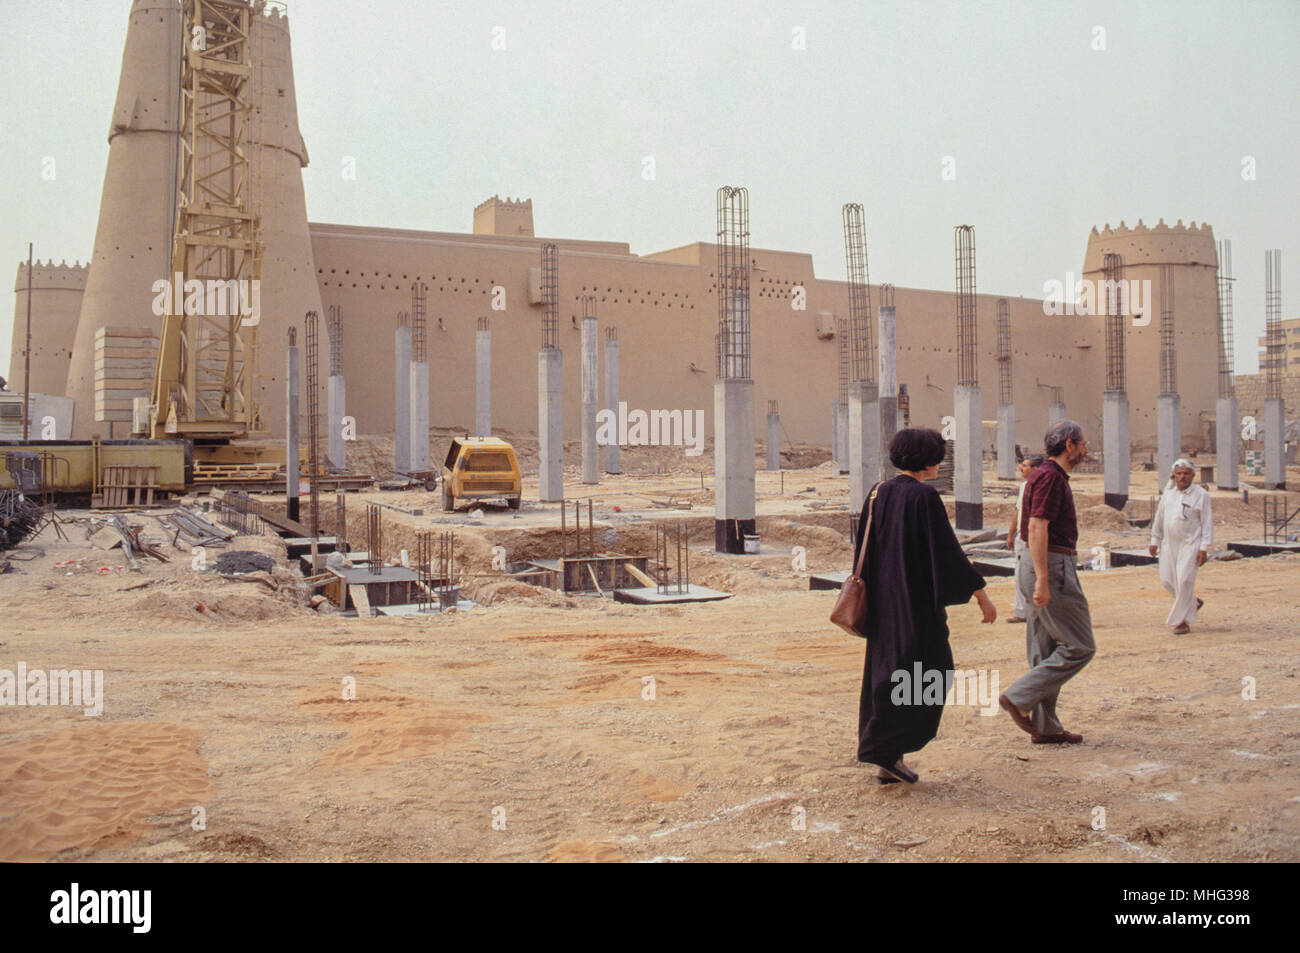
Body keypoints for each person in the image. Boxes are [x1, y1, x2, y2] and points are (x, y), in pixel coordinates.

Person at [851, 428, 997, 784]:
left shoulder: (877, 492)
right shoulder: (923, 498)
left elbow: (863, 547)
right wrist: (981, 593)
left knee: (888, 674)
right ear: (927, 459)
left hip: (884, 604)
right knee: (929, 673)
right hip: (914, 606)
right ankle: (887, 750)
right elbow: (948, 553)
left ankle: (887, 753)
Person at [999, 420, 1095, 745]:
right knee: (1079, 646)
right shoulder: (1051, 477)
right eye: (1082, 444)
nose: (1085, 450)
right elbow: (1038, 525)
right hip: (1052, 564)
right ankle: (1018, 696)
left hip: (1037, 562)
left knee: (1044, 648)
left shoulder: (1041, 475)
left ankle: (1045, 727)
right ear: (1069, 445)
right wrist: (1043, 579)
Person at [1149, 458, 1212, 635]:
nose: (1182, 477)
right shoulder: (1168, 494)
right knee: (1167, 580)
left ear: (1192, 475)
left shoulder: (1201, 495)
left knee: (1184, 580)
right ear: (1174, 475)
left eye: (1186, 473)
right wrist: (1155, 540)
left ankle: (1181, 621)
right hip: (1169, 544)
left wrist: (1204, 548)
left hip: (1190, 544)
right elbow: (1159, 519)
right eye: (1179, 474)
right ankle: (1193, 602)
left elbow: (1207, 523)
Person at [1006, 454, 1046, 623]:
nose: (1021, 468)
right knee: (1020, 574)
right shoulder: (1024, 486)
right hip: (1022, 538)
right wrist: (1011, 533)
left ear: (1035, 469)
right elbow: (1018, 511)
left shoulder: (1043, 487)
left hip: (1034, 537)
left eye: (1025, 465)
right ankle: (1021, 612)